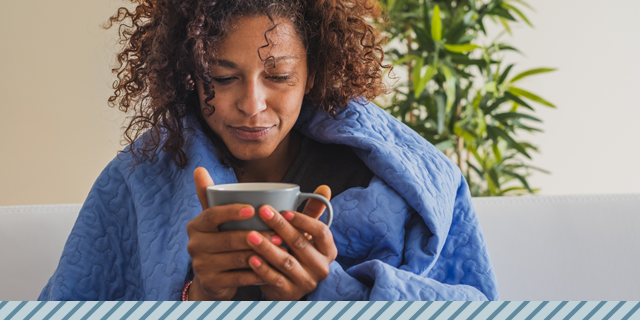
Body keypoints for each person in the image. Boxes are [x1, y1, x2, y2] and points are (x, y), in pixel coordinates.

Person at [39, 0, 499, 301]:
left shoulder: (398, 180)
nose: (251, 105)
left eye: (278, 77)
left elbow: (476, 305)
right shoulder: (138, 179)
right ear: (191, 75)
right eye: (221, 78)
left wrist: (330, 292)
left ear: (313, 73)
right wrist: (196, 298)